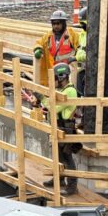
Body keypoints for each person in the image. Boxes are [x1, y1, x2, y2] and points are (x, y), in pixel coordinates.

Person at [42, 63, 81, 196]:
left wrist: (42, 99)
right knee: (58, 155)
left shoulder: (69, 91)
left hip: (65, 127)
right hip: (59, 126)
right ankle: (59, 179)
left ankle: (72, 186)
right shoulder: (63, 90)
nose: (54, 81)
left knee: (67, 157)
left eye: (55, 78)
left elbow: (55, 107)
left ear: (61, 77)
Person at [34, 10, 86, 80]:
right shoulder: (49, 36)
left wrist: (76, 59)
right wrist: (38, 49)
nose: (56, 26)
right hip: (54, 70)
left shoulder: (71, 34)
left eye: (58, 24)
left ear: (64, 23)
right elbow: (39, 43)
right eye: (54, 24)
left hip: (69, 71)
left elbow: (81, 47)